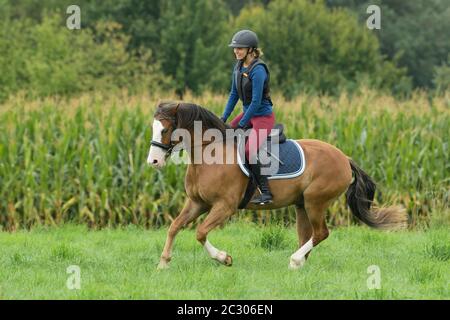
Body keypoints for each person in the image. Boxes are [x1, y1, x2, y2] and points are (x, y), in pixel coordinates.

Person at [220, 29, 275, 205]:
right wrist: (223, 118)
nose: (236, 51)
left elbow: (257, 101)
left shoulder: (258, 70)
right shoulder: (238, 66)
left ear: (251, 49)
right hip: (248, 114)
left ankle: (266, 192)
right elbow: (233, 94)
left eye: (240, 48)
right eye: (235, 48)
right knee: (225, 134)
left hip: (262, 117)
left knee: (249, 151)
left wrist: (243, 123)